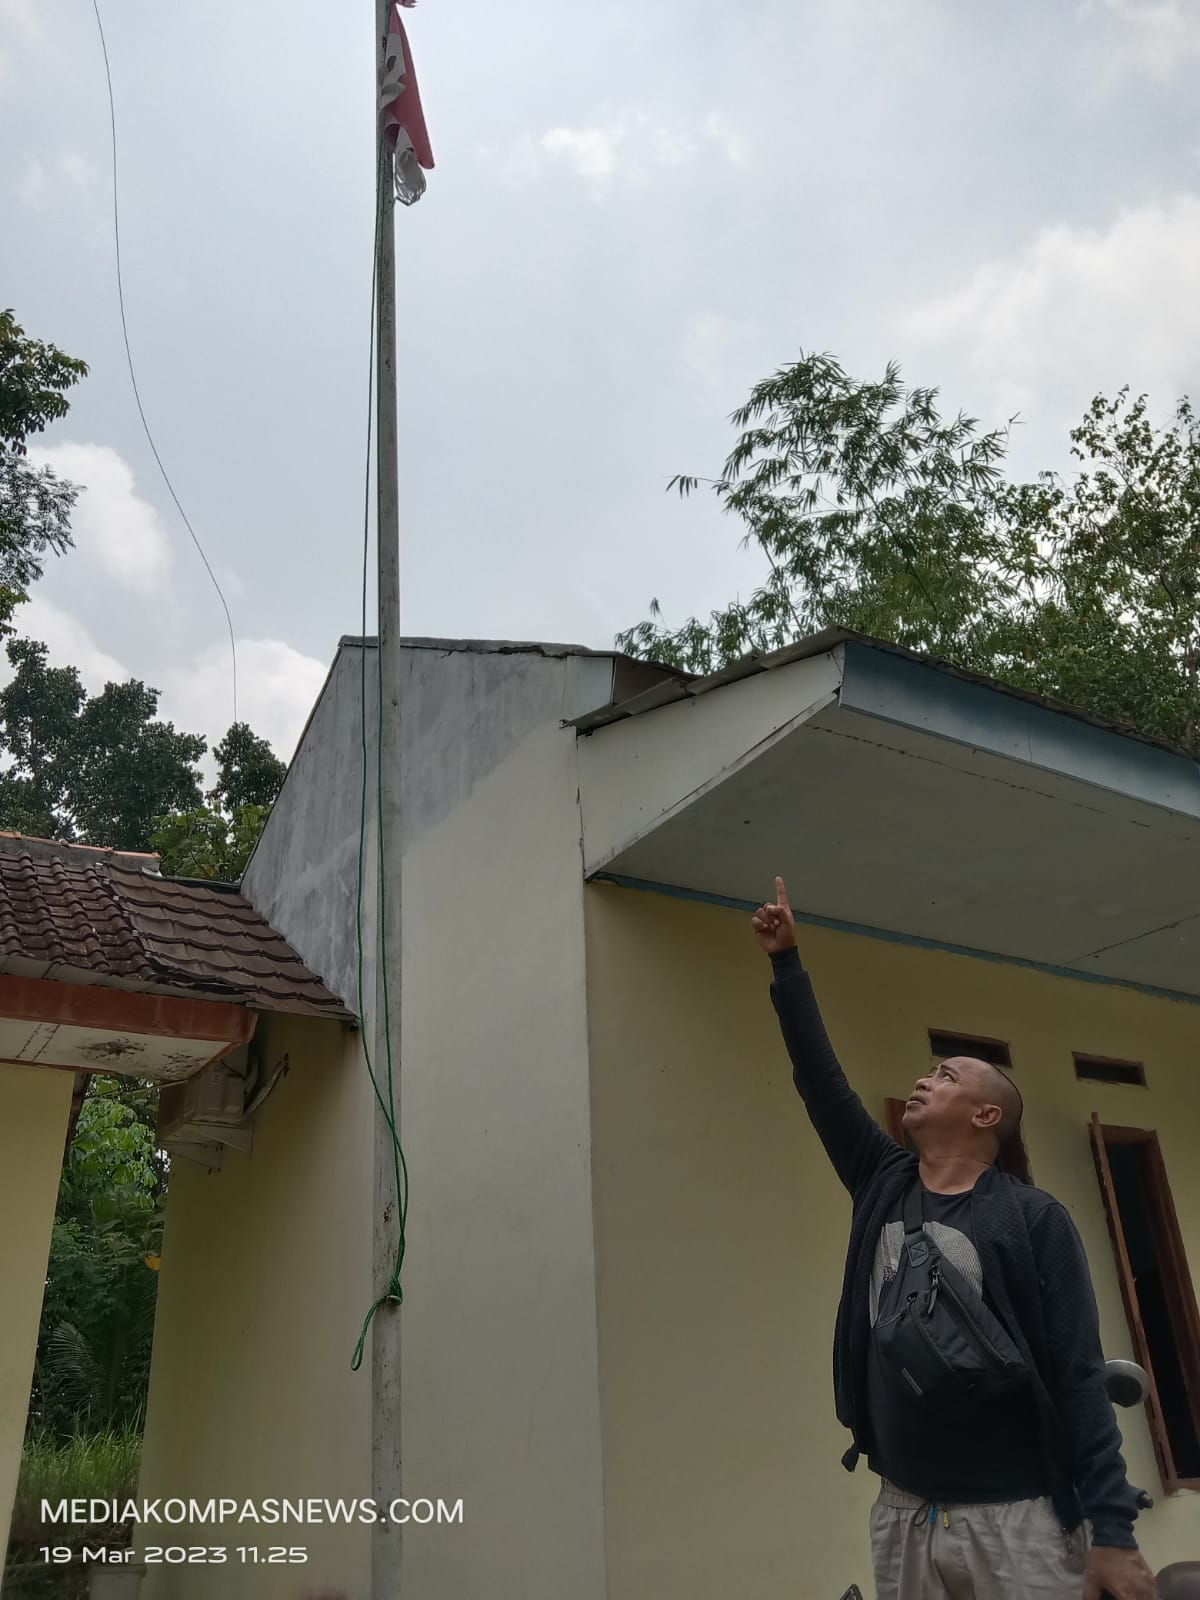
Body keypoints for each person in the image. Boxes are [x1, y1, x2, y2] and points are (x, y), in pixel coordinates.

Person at [752, 875, 1158, 1600]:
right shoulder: (881, 1181)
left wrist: (1115, 1533)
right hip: (904, 1509)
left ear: (985, 1117)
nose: (923, 1079)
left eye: (945, 1075)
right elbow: (820, 1082)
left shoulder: (1033, 1219)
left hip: (1019, 1519)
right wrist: (787, 963)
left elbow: (1077, 1377)